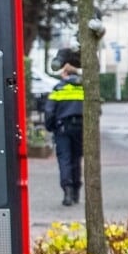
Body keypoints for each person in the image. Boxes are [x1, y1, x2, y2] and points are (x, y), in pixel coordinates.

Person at [43, 48, 85, 205]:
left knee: (65, 160)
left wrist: (51, 127)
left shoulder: (59, 88)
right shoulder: (84, 88)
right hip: (81, 128)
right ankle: (76, 193)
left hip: (63, 129)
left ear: (65, 73)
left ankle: (67, 192)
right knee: (76, 160)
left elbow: (49, 111)